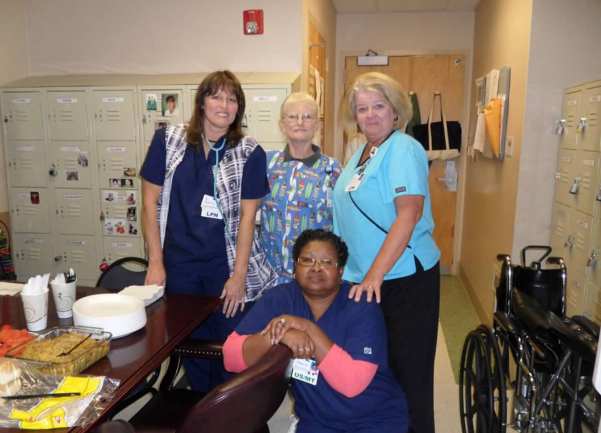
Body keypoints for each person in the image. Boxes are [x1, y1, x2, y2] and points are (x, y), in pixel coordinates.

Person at [141, 70, 277, 392]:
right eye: (217, 96)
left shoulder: (248, 152)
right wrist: (156, 263)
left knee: (232, 344)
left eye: (232, 99)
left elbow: (249, 218)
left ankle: (229, 409)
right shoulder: (168, 141)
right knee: (191, 343)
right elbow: (149, 203)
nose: (224, 105)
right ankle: (203, 406)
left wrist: (239, 275)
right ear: (201, 102)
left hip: (225, 265)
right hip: (180, 265)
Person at [333, 72, 440, 433]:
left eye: (379, 106)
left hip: (402, 279)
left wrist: (374, 275)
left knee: (410, 377)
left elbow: (407, 217)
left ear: (396, 111)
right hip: (365, 281)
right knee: (376, 371)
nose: (371, 115)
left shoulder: (404, 148)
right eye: (362, 109)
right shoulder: (360, 152)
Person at [223, 229, 408, 433]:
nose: (316, 268)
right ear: (295, 267)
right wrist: (279, 337)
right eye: (307, 260)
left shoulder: (361, 304)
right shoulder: (280, 298)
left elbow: (352, 383)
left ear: (341, 271)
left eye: (327, 262)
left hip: (375, 419)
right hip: (316, 422)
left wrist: (306, 327)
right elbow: (231, 357)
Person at [260, 92, 341, 284]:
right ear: (282, 125)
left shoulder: (333, 169)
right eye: (292, 116)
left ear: (317, 125)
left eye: (307, 116)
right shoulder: (266, 164)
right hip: (271, 275)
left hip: (316, 276)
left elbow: (343, 223)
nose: (300, 122)